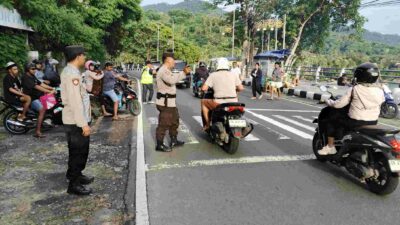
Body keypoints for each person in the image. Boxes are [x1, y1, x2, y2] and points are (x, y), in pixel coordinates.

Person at [318, 63, 385, 155]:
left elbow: (338, 105)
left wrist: (328, 101)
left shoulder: (355, 89)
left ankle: (330, 146)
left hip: (355, 122)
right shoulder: (380, 90)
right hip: (373, 122)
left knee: (331, 121)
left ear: (360, 76)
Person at [61, 45, 93, 195]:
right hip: (76, 121)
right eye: (83, 55)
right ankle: (73, 185)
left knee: (79, 151)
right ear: (78, 56)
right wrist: (83, 124)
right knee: (78, 152)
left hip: (77, 120)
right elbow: (75, 102)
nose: (85, 58)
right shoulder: (72, 75)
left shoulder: (72, 72)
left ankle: (76, 175)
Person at [155, 52, 191, 152]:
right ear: (168, 60)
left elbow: (173, 79)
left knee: (175, 121)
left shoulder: (166, 70)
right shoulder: (163, 71)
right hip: (165, 103)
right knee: (164, 123)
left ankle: (174, 140)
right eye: (173, 61)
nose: (174, 63)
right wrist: (183, 73)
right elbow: (171, 80)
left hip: (170, 102)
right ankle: (159, 144)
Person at [201, 58, 244, 130]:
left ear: (217, 66)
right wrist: (235, 90)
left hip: (219, 103)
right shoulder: (233, 74)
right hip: (233, 102)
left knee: (203, 102)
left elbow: (204, 88)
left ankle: (208, 125)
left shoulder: (213, 75)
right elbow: (241, 88)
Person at [21, 62, 55, 138]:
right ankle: (37, 132)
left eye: (35, 69)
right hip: (32, 98)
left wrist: (52, 88)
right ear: (27, 69)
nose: (35, 70)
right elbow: (36, 86)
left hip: (37, 96)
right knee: (42, 109)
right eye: (32, 69)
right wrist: (49, 91)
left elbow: (40, 84)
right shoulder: (25, 77)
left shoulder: (32, 76)